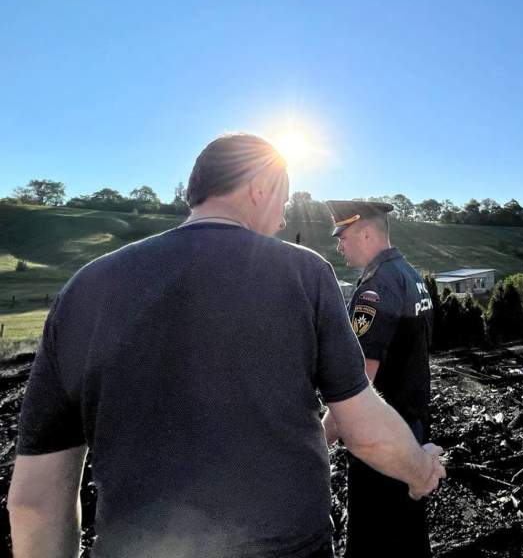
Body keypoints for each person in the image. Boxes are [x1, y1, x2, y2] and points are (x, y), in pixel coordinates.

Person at [8, 133, 445, 558]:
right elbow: (362, 422)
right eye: (282, 201)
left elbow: (34, 501)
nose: (280, 220)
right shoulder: (303, 274)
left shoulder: (85, 289)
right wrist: (421, 469)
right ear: (258, 189)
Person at [323, 200, 435, 557]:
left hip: (381, 440)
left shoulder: (376, 287)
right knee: (407, 536)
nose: (339, 245)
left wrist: (320, 439)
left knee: (373, 541)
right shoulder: (411, 276)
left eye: (343, 236)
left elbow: (357, 384)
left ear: (367, 232)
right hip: (412, 430)